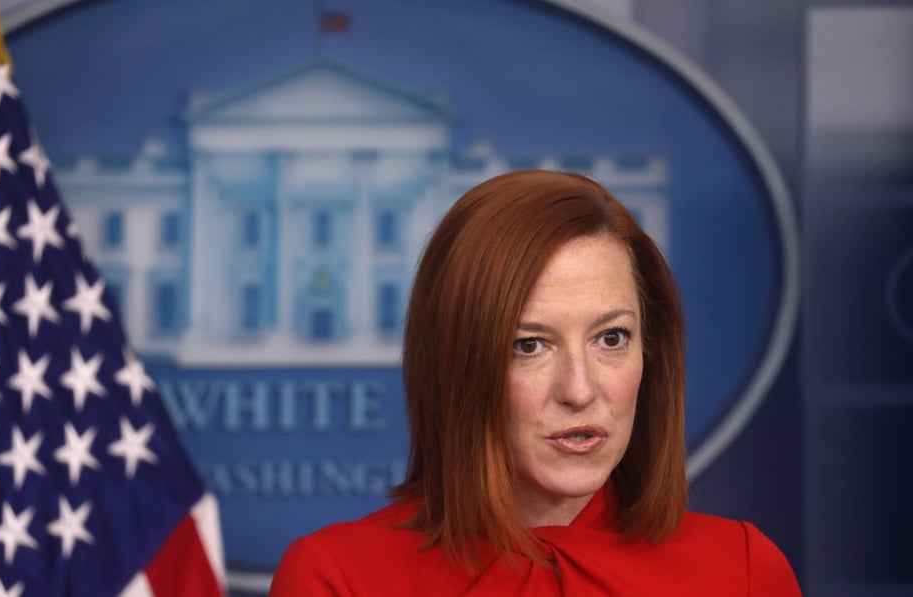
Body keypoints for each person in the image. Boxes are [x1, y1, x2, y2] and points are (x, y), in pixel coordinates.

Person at [269, 170, 801, 596]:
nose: (579, 389)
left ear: (651, 352)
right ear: (457, 365)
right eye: (529, 345)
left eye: (611, 338)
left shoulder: (743, 570)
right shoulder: (338, 577)